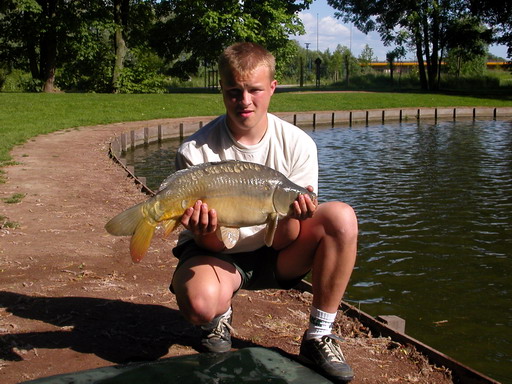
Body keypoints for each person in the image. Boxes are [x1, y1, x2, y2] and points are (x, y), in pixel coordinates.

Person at [170, 42, 358, 383]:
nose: (245, 101)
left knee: (341, 217)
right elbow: (215, 245)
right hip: (218, 253)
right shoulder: (196, 151)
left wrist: (290, 216)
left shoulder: (298, 144)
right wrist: (205, 229)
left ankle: (319, 334)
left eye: (255, 90)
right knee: (199, 305)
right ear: (222, 90)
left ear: (272, 88)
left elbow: (284, 239)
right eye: (233, 91)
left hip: (280, 251)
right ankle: (219, 313)